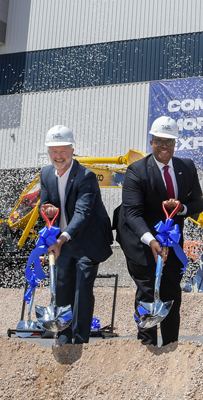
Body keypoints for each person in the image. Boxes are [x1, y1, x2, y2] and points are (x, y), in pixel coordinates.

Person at [116, 116, 203, 347]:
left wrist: (181, 208)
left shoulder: (186, 167)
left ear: (175, 144)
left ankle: (171, 347)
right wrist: (151, 241)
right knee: (147, 291)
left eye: (170, 142)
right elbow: (132, 213)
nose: (165, 147)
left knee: (171, 292)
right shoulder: (136, 171)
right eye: (159, 142)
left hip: (173, 243)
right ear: (151, 142)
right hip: (142, 241)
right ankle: (146, 348)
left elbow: (198, 203)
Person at [39, 125, 113, 345]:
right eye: (54, 151)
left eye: (63, 151)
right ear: (48, 152)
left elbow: (82, 214)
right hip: (62, 242)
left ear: (72, 151)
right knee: (62, 287)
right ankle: (63, 338)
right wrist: (47, 210)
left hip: (87, 242)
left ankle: (80, 341)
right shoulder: (45, 174)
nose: (58, 156)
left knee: (82, 289)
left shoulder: (86, 177)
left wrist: (62, 239)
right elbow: (44, 204)